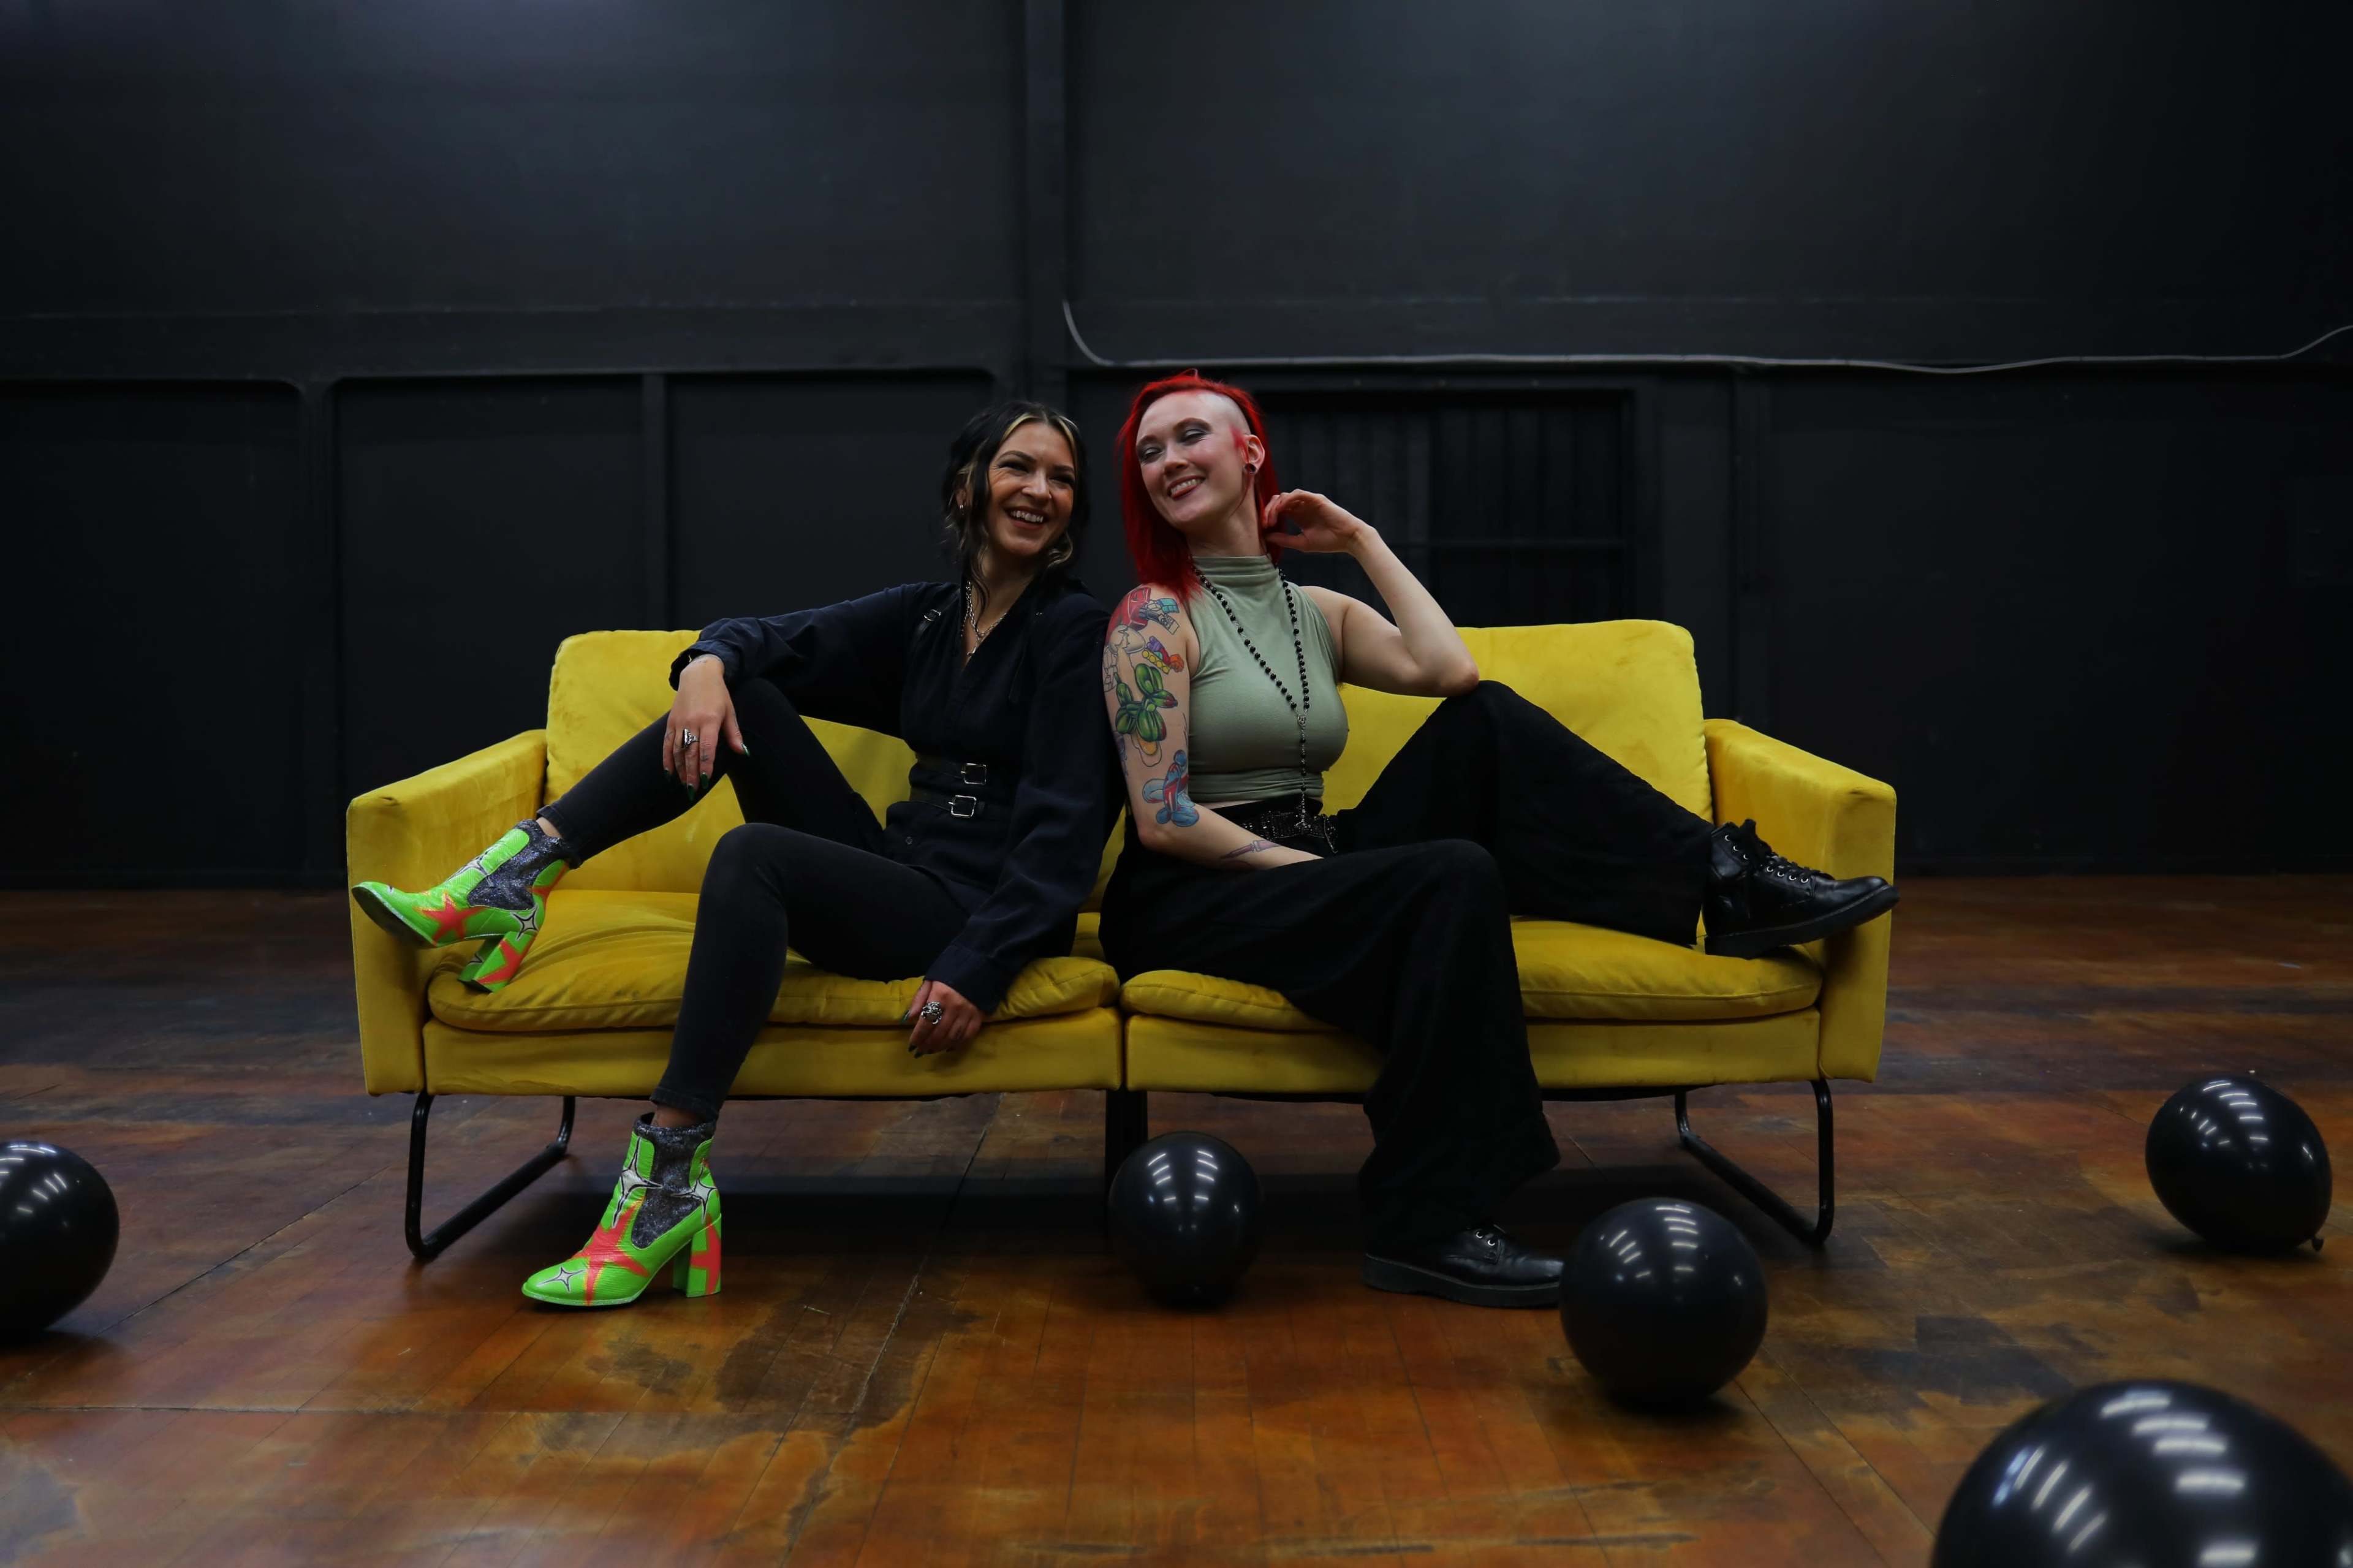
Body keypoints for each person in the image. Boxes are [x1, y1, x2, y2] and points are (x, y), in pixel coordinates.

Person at [1097, 373, 1896, 1309]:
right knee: (1449, 877)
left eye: (1191, 435)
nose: (1168, 461)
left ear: (1251, 453)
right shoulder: (1149, 620)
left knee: (1488, 722)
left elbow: (1450, 670)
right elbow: (1164, 817)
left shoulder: (1314, 609)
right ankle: (1423, 1220)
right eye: (1148, 451)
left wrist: (1361, 539)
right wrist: (1321, 874)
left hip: (1307, 854)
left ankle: (1722, 881)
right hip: (1195, 887)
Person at [352, 401, 1118, 1307]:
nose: (1039, 491)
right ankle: (519, 876)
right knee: (743, 692)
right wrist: (705, 669)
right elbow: (765, 636)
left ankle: (669, 1182)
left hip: (964, 913)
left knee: (753, 854)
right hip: (897, 871)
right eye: (1017, 468)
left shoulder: (1077, 633)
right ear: (967, 488)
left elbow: (1070, 825)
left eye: (1061, 477)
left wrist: (981, 967)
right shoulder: (928, 619)